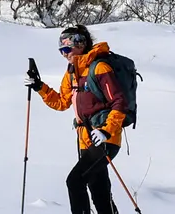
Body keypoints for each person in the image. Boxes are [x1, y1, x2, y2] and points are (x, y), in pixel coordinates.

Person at [26, 25, 128, 214]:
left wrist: (106, 130)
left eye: (67, 48)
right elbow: (62, 102)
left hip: (105, 137)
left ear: (80, 44)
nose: (64, 53)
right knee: (98, 189)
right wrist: (40, 87)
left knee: (75, 181)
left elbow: (119, 101)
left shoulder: (99, 68)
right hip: (85, 139)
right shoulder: (72, 73)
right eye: (61, 50)